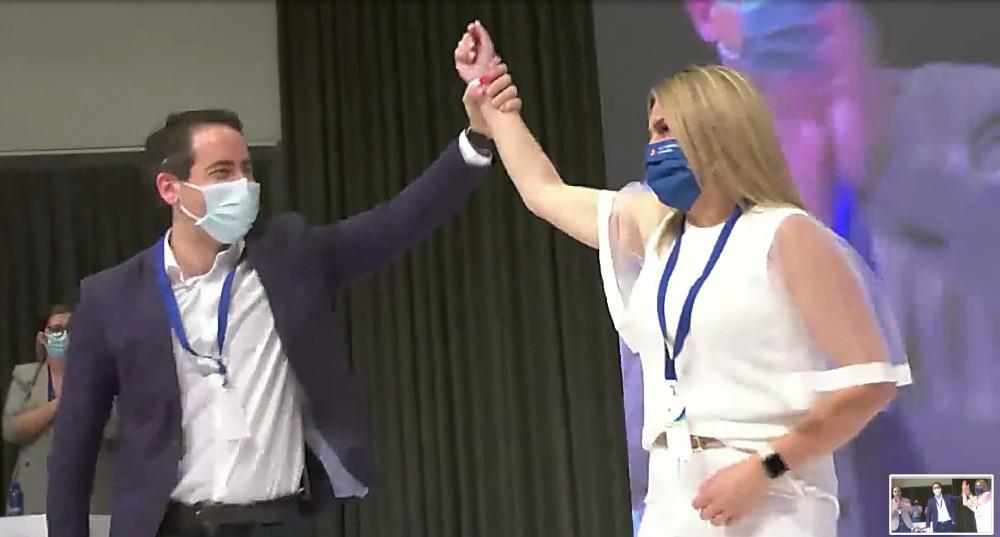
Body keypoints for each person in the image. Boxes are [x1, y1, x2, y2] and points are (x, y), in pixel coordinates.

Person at [455, 21, 910, 537]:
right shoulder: (657, 229)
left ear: (716, 133)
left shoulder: (785, 235)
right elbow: (544, 192)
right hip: (672, 493)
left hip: (773, 497)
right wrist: (494, 100)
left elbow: (870, 381)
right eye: (653, 131)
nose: (654, 146)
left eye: (668, 130)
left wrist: (766, 468)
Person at [47, 75, 521, 535]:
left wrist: (477, 139)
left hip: (276, 521)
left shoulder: (290, 256)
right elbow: (73, 448)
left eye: (247, 170)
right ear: (171, 189)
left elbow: (397, 223)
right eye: (221, 173)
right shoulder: (111, 298)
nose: (242, 185)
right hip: (166, 526)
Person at [2, 305, 116, 516]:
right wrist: (60, 403)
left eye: (71, 328)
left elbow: (115, 431)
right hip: (35, 491)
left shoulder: (102, 376)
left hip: (92, 493)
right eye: (56, 329)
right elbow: (11, 430)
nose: (64, 334)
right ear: (42, 338)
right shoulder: (25, 376)